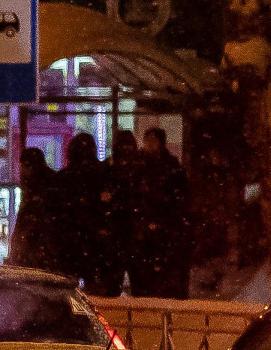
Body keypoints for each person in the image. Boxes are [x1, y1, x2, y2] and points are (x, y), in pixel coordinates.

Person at [134, 127, 192, 298]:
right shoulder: (140, 166)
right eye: (147, 141)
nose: (149, 145)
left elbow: (180, 198)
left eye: (153, 141)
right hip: (149, 229)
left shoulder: (170, 168)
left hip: (164, 228)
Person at [65, 132, 121, 296]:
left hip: (75, 240)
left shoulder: (68, 178)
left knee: (71, 287)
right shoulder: (103, 174)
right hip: (96, 242)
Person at [9, 144, 62, 273]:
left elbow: (26, 220)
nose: (21, 170)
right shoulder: (54, 182)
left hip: (35, 250)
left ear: (28, 166)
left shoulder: (33, 188)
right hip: (49, 251)